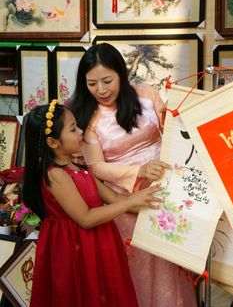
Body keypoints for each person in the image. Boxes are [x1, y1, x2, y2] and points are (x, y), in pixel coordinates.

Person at [69, 43, 198, 307]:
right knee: (138, 266)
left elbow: (171, 127)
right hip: (125, 198)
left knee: (171, 260)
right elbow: (97, 167)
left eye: (107, 81)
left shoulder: (146, 94)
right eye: (92, 84)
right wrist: (137, 171)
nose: (101, 90)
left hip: (165, 186)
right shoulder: (88, 117)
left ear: (121, 74)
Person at [22, 99, 164, 307]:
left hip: (96, 244)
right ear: (53, 142)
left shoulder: (79, 169)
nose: (81, 131)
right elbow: (86, 218)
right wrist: (131, 201)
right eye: (73, 129)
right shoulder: (56, 176)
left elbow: (115, 199)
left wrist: (154, 200)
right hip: (75, 248)